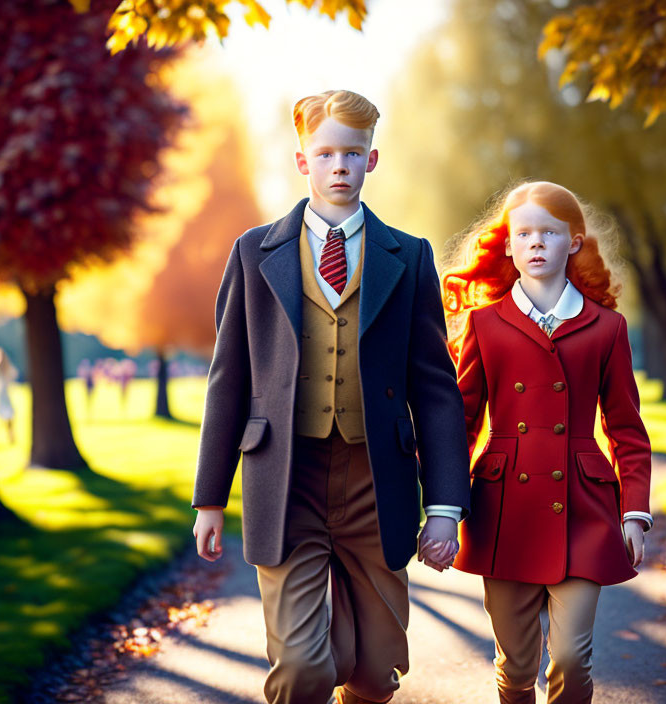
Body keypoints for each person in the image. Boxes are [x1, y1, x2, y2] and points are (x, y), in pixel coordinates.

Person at [190, 90, 469, 704]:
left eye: (352, 152)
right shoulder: (253, 252)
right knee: (303, 671)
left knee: (375, 673)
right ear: (302, 162)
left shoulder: (411, 256)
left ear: (372, 160)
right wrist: (209, 498)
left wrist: (446, 505)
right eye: (325, 153)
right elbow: (227, 380)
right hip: (288, 479)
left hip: (378, 482)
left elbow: (436, 388)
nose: (339, 165)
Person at [441, 181, 653, 704]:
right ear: (508, 246)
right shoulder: (484, 325)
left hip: (583, 508)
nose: (536, 243)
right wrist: (442, 504)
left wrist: (635, 512)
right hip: (505, 507)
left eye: (550, 233)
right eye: (525, 233)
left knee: (571, 658)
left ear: (574, 242)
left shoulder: (607, 328)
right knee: (514, 668)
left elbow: (626, 427)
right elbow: (461, 421)